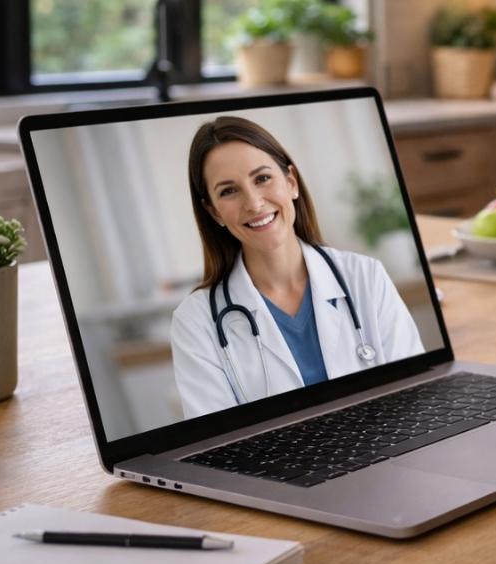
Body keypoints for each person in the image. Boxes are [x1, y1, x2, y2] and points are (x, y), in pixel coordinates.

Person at [172, 116, 424, 418]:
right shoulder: (196, 321)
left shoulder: (365, 277)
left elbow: (414, 398)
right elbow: (217, 439)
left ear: (291, 182)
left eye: (262, 178)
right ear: (214, 212)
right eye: (229, 191)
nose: (254, 203)